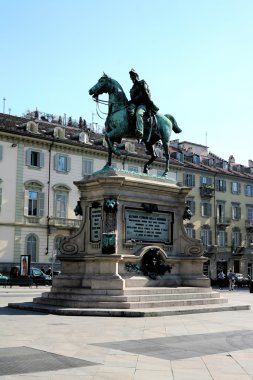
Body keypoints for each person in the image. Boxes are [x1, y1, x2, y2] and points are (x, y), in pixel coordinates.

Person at [128, 69, 159, 138]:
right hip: (135, 104)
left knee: (139, 113)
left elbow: (145, 94)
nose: (132, 77)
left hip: (143, 104)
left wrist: (135, 99)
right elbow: (133, 99)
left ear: (137, 76)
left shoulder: (142, 83)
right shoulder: (132, 88)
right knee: (129, 112)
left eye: (133, 75)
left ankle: (140, 130)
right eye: (131, 76)